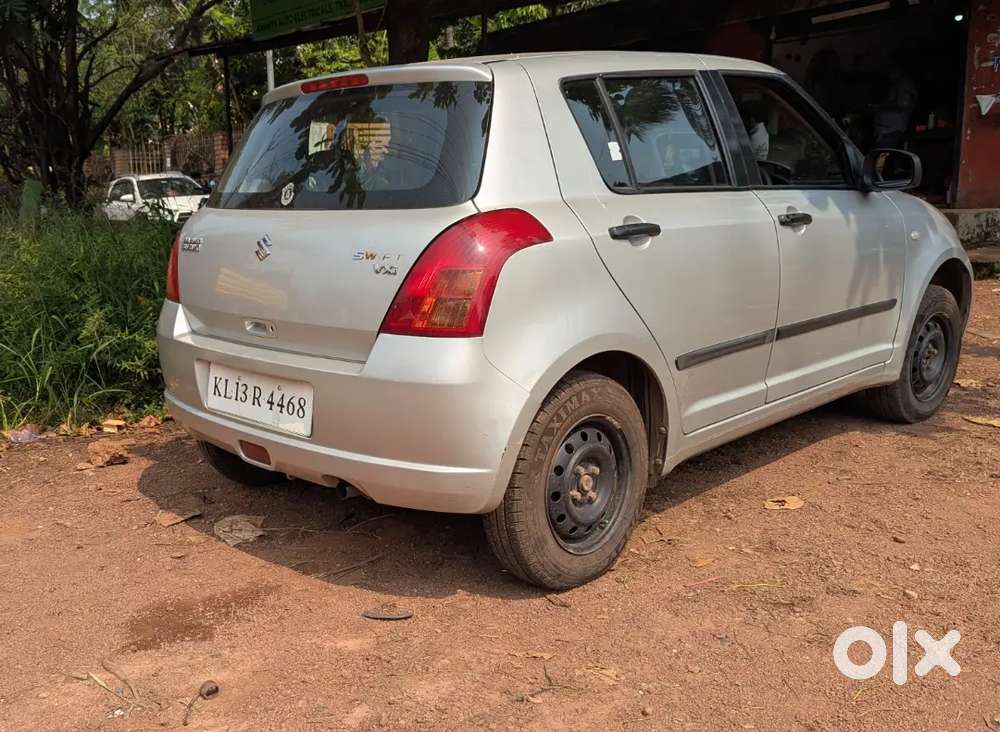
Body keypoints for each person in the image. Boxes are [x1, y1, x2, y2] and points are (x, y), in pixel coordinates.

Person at [873, 60, 917, 149]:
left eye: (891, 70)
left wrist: (879, 107)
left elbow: (902, 105)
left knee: (884, 155)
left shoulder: (905, 84)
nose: (889, 74)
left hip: (893, 131)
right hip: (886, 132)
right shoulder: (896, 84)